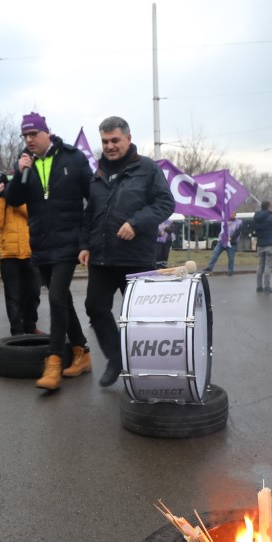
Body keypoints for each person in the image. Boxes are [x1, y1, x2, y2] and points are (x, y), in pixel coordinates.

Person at [80, 116, 176, 388]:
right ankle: (116, 358)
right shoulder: (97, 173)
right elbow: (89, 214)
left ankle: (152, 370)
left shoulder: (146, 168)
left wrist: (136, 222)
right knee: (95, 307)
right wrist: (84, 245)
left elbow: (166, 203)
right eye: (105, 141)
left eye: (115, 140)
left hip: (135, 257)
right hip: (101, 257)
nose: (109, 146)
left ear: (128, 139)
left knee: (139, 318)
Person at [3, 112, 95, 391]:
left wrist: (85, 241)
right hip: (41, 243)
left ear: (47, 133)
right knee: (62, 299)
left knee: (56, 297)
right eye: (25, 136)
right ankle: (81, 352)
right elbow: (13, 199)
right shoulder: (25, 164)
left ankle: (53, 360)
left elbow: (93, 200)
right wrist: (19, 174)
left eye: (33, 134)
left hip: (69, 241)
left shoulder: (73, 158)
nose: (29, 140)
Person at [0, 171, 41, 336]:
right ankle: (17, 331)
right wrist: (0, 197)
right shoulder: (0, 200)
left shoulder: (26, 199)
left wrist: (16, 198)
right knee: (13, 296)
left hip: (30, 251)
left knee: (34, 292)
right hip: (9, 256)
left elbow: (33, 215)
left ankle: (30, 325)